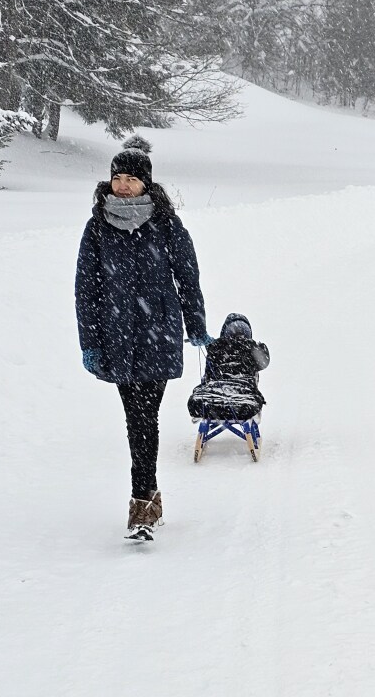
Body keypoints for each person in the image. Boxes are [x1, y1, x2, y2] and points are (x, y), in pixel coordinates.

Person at [75, 135, 211, 538]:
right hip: (116, 338)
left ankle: (141, 508)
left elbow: (187, 277)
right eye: (117, 177)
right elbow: (86, 289)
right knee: (138, 419)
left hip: (157, 334)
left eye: (131, 178)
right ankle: (149, 501)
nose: (122, 185)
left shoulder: (167, 224)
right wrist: (90, 342)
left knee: (142, 418)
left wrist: (196, 323)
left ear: (146, 183)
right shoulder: (98, 227)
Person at [188, 313, 270, 421]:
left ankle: (205, 427)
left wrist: (211, 343)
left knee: (199, 403)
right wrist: (261, 348)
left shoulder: (216, 347)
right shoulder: (251, 347)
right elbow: (264, 362)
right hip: (245, 399)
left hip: (210, 396)